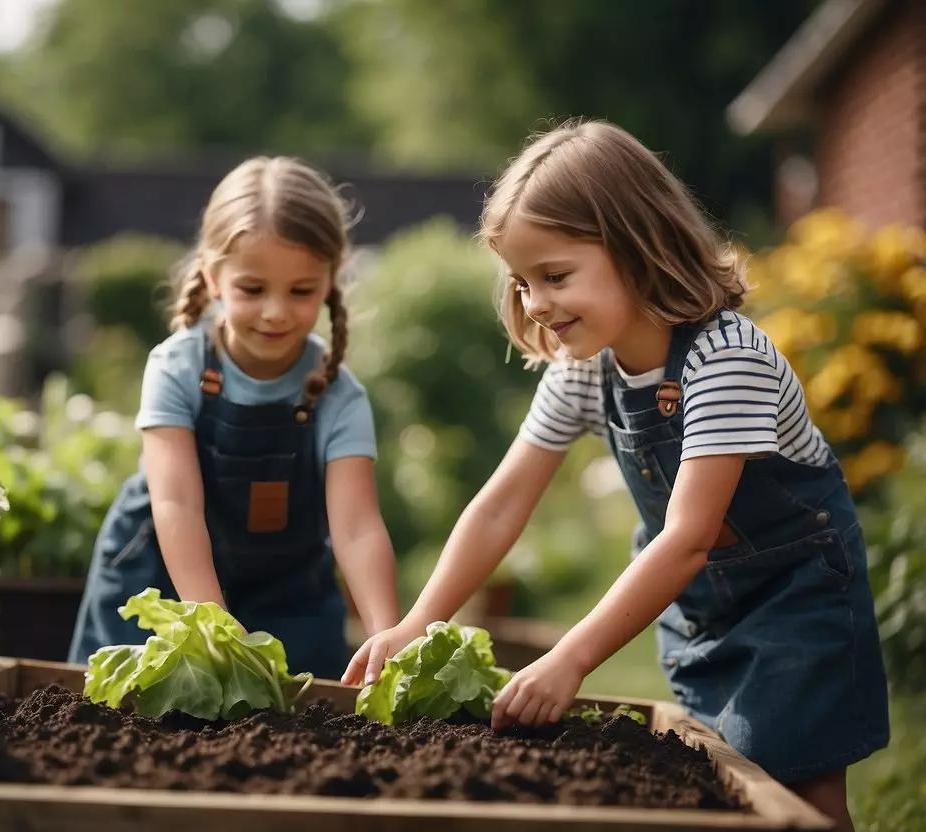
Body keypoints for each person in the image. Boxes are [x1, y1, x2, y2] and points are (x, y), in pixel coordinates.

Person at [343, 119, 888, 830]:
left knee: (799, 798)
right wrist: (420, 620)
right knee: (727, 783)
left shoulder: (726, 360)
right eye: (521, 281)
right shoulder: (584, 368)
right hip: (698, 609)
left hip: (794, 599)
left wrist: (569, 660)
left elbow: (687, 535)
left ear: (636, 248)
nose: (534, 303)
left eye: (555, 275)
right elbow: (501, 505)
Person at [69, 156, 399, 681]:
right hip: (161, 575)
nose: (275, 312)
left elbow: (356, 527)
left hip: (287, 592)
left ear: (331, 281)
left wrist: (386, 630)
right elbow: (176, 503)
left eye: (300, 292)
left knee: (301, 715)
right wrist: (212, 622)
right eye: (252, 289)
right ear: (212, 275)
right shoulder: (176, 367)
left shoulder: (339, 396)